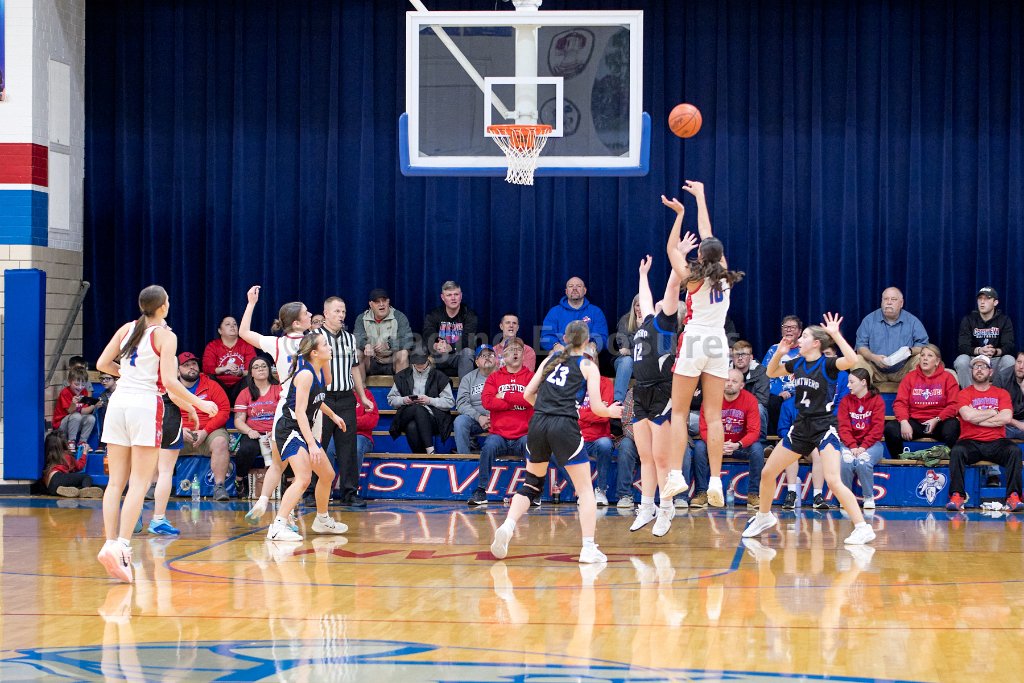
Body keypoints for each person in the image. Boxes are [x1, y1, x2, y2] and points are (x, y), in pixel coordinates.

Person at [95, 285, 218, 583]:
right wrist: (200, 403)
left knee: (115, 483)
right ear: (163, 306)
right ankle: (123, 547)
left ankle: (109, 544)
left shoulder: (127, 328)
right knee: (139, 483)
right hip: (144, 406)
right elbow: (169, 382)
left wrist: (130, 375)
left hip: (118, 403)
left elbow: (101, 364)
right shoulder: (165, 335)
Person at [490, 321, 622, 563]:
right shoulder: (588, 365)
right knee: (585, 490)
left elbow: (527, 394)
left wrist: (545, 408)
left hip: (538, 423)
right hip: (564, 424)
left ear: (564, 338)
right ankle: (588, 548)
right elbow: (596, 408)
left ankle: (508, 526)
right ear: (587, 342)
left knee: (531, 484)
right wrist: (611, 412)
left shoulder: (550, 360)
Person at [743, 314, 876, 545]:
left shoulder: (828, 365)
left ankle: (863, 527)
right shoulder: (797, 363)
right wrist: (779, 353)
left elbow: (852, 360)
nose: (799, 339)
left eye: (804, 336)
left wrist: (835, 334)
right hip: (801, 427)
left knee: (833, 480)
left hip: (824, 427)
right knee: (767, 473)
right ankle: (764, 516)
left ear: (816, 343)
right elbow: (771, 373)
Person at [662, 180, 745, 507]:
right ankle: (715, 481)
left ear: (699, 254)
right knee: (714, 417)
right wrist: (701, 197)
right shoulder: (725, 274)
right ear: (720, 256)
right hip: (718, 343)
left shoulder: (693, 278)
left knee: (680, 413)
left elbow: (671, 249)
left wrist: (680, 214)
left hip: (695, 339)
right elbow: (708, 233)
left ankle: (675, 475)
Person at [265, 334, 351, 542]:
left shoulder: (317, 371)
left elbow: (317, 400)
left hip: (302, 429)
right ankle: (277, 527)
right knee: (303, 478)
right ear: (314, 352)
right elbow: (300, 411)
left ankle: (322, 519)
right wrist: (311, 444)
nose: (330, 347)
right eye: (325, 344)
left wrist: (333, 415)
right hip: (290, 429)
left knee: (327, 475)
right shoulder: (305, 375)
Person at [239, 287, 313, 522]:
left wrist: (251, 303)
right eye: (307, 313)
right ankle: (287, 516)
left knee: (278, 463)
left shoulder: (277, 343)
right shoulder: (314, 342)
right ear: (297, 323)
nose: (311, 315)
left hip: (283, 409)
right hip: (302, 410)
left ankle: (262, 501)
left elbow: (243, 332)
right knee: (303, 472)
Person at [626, 253, 681, 536]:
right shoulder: (647, 322)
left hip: (662, 390)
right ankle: (647, 506)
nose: (648, 306)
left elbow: (672, 287)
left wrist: (676, 260)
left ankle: (667, 508)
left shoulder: (665, 323)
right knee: (645, 455)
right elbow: (645, 299)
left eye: (661, 303)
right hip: (642, 391)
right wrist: (643, 275)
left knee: (661, 458)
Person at [945, 355, 1024, 512]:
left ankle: (1013, 496)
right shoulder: (964, 393)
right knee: (957, 451)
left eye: (983, 366)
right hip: (970, 441)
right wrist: (993, 412)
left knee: (1014, 451)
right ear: (971, 371)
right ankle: (957, 495)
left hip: (996, 442)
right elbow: (967, 416)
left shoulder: (1001, 393)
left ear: (991, 372)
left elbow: (1006, 418)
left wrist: (977, 419)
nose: (979, 369)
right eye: (976, 366)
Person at [316, 296, 373, 507]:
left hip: (346, 397)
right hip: (322, 398)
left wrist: (362, 396)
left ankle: (349, 492)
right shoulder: (314, 337)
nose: (341, 315)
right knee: (318, 444)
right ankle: (312, 491)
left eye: (343, 311)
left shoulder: (350, 338)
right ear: (326, 314)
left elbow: (355, 368)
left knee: (348, 446)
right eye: (337, 311)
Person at [470, 340, 534, 505]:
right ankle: (481, 490)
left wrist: (504, 396)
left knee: (532, 446)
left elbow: (532, 400)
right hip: (499, 434)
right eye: (511, 349)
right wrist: (517, 401)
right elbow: (488, 402)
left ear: (523, 354)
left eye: (518, 349)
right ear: (503, 356)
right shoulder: (494, 377)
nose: (515, 352)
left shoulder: (531, 377)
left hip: (523, 434)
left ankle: (533, 492)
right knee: (488, 447)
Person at [692, 368, 764, 510]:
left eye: (734, 381)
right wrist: (717, 445)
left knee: (757, 448)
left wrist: (738, 444)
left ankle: (753, 494)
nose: (729, 383)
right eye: (727, 380)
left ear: (742, 385)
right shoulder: (710, 399)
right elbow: (704, 429)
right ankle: (701, 493)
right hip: (715, 445)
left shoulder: (750, 400)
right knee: (699, 447)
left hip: (739, 446)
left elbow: (754, 431)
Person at [883, 344, 960, 457]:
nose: (925, 358)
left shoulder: (948, 378)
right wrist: (904, 422)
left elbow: (954, 405)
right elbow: (900, 403)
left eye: (929, 356)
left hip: (939, 422)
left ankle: (947, 460)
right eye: (922, 355)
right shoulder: (909, 377)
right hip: (915, 422)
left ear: (937, 361)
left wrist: (937, 419)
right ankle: (900, 461)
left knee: (954, 426)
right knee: (891, 428)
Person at [175, 352, 233, 501]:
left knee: (220, 442)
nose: (191, 367)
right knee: (158, 441)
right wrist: (178, 430)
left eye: (194, 364)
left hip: (208, 432)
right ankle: (153, 485)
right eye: (186, 365)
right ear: (177, 371)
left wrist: (206, 431)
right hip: (181, 433)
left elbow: (224, 411)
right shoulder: (171, 387)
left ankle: (219, 487)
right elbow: (162, 413)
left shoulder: (211, 385)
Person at [854, 287, 929, 383]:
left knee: (920, 358)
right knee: (857, 359)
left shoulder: (913, 321)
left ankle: (914, 391)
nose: (889, 302)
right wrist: (873, 357)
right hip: (875, 370)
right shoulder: (869, 320)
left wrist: (909, 351)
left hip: (903, 370)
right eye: (886, 299)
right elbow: (861, 346)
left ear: (901, 303)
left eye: (893, 299)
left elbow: (924, 346)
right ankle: (866, 392)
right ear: (881, 302)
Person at [387, 348, 455, 454]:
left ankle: (421, 457)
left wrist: (429, 401)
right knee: (417, 408)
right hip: (407, 414)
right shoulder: (402, 376)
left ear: (428, 359)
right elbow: (391, 400)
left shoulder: (440, 377)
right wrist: (404, 400)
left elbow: (450, 402)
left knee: (412, 426)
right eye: (416, 363)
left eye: (422, 363)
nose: (419, 366)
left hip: (433, 418)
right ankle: (430, 450)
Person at [232, 357, 282, 497]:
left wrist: (276, 431)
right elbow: (238, 421)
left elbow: (286, 415)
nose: (261, 369)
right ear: (251, 373)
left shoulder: (279, 390)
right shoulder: (245, 393)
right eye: (256, 367)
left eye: (264, 366)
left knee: (286, 448)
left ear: (269, 370)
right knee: (246, 450)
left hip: (276, 432)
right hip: (254, 433)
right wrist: (249, 431)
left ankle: (289, 482)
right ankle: (240, 480)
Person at [837, 368, 887, 509]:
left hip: (872, 444)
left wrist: (863, 446)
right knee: (846, 461)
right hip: (848, 444)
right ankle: (846, 498)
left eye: (852, 382)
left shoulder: (877, 401)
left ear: (863, 382)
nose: (848, 385)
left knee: (863, 462)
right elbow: (844, 428)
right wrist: (852, 445)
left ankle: (868, 497)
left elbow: (877, 429)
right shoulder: (845, 401)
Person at [953, 287, 1016, 388]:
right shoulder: (968, 320)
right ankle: (970, 393)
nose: (982, 302)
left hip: (994, 361)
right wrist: (979, 350)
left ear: (995, 302)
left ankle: (996, 393)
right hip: (975, 361)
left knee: (1010, 360)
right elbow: (962, 346)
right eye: (980, 299)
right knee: (961, 360)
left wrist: (995, 351)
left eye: (987, 299)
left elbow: (1009, 346)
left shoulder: (1004, 320)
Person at [578, 342, 615, 506]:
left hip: (598, 439)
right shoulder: (572, 383)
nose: (587, 362)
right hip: (577, 438)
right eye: (584, 358)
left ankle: (601, 490)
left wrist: (580, 414)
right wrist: (596, 411)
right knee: (553, 449)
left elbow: (605, 416)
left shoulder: (605, 383)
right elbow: (568, 414)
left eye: (590, 358)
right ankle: (582, 491)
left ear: (596, 361)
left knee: (605, 444)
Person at [353, 288, 414, 378]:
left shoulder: (399, 316)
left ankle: (401, 386)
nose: (381, 304)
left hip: (392, 360)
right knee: (357, 353)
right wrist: (366, 345)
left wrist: (388, 345)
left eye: (384, 300)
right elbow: (356, 338)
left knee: (403, 353)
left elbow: (408, 340)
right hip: (371, 360)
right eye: (377, 302)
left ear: (388, 301)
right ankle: (361, 386)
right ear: (371, 304)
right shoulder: (362, 318)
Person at [423, 281, 479, 378]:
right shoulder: (434, 314)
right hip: (438, 355)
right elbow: (428, 332)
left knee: (468, 352)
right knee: (419, 352)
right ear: (442, 297)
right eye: (449, 295)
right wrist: (436, 344)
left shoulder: (469, 315)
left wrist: (451, 347)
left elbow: (468, 338)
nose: (453, 298)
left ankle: (464, 388)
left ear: (461, 296)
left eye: (456, 294)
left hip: (458, 356)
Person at [539, 277, 609, 352]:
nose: (574, 288)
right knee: (552, 353)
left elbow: (602, 336)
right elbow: (546, 336)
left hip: (586, 352)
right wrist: (556, 345)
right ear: (566, 291)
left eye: (578, 286)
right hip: (562, 352)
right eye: (571, 286)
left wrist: (593, 344)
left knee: (593, 352)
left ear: (585, 290)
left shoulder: (595, 312)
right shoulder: (554, 312)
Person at [202, 315, 257, 404]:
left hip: (240, 386)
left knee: (250, 378)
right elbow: (207, 369)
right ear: (220, 331)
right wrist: (224, 368)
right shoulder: (212, 346)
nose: (232, 326)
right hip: (220, 387)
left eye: (234, 324)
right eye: (228, 324)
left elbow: (252, 369)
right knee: (209, 378)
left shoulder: (246, 345)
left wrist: (241, 372)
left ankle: (243, 406)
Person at [762, 316, 802, 434]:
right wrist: (778, 392)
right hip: (778, 396)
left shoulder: (805, 350)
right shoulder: (774, 350)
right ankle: (774, 440)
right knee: (772, 402)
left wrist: (794, 392)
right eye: (785, 327)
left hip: (801, 392)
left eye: (793, 327)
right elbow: (765, 376)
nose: (788, 329)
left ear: (799, 332)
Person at [454, 345, 497, 454]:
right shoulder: (468, 378)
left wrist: (496, 416)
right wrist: (479, 417)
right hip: (476, 420)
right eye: (483, 356)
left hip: (499, 418)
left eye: (490, 355)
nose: (487, 358)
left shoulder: (504, 376)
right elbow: (461, 404)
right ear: (477, 362)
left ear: (496, 359)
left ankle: (501, 459)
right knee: (460, 421)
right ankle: (465, 459)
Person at [42, 430, 103, 498]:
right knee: (86, 477)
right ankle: (85, 490)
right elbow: (79, 466)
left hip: (49, 486)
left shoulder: (45, 456)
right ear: (64, 444)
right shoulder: (66, 456)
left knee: (67, 482)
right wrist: (85, 453)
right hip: (58, 477)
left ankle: (63, 490)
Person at [52, 366, 97, 454]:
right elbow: (70, 411)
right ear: (69, 381)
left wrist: (94, 405)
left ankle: (82, 442)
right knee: (76, 415)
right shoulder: (65, 392)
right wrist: (73, 403)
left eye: (83, 385)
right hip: (61, 426)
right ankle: (71, 442)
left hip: (75, 423)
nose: (80, 387)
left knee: (91, 418)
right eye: (76, 384)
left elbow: (84, 411)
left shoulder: (84, 392)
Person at [731, 339, 769, 437]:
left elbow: (762, 399)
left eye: (744, 354)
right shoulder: (725, 371)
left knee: (759, 408)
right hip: (729, 407)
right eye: (737, 355)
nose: (740, 358)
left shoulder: (761, 371)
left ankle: (760, 441)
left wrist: (741, 408)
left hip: (751, 408)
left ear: (751, 357)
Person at [611, 295, 642, 402]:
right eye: (638, 305)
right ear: (633, 306)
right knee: (626, 361)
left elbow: (653, 349)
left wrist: (631, 352)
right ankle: (618, 402)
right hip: (626, 363)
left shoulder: (653, 322)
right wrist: (639, 329)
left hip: (644, 364)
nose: (640, 309)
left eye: (643, 305)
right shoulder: (625, 320)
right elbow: (624, 347)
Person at [614, 388, 640, 509]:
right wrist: (644, 440)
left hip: (661, 438)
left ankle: (679, 497)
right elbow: (627, 423)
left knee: (683, 449)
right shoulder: (633, 392)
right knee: (626, 445)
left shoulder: (668, 390)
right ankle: (624, 495)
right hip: (637, 438)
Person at [996, 351, 1024, 440]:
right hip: (1005, 422)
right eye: (1019, 362)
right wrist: (1017, 424)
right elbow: (994, 409)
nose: (1021, 367)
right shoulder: (1002, 377)